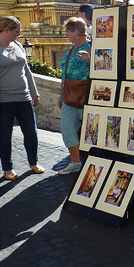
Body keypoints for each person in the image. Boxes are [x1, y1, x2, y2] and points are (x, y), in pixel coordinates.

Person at [0, 16, 45, 180]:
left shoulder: (18, 45)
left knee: (31, 133)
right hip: (3, 101)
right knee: (5, 135)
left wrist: (34, 92)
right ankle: (7, 168)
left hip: (24, 98)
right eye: (16, 32)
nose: (19, 35)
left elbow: (27, 71)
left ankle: (33, 163)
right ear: (7, 30)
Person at [57, 17, 91, 175]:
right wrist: (61, 94)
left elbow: (105, 68)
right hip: (69, 97)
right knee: (67, 130)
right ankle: (76, 162)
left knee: (91, 133)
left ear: (76, 32)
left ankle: (94, 163)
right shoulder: (70, 49)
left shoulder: (91, 47)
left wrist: (90, 60)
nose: (66, 35)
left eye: (68, 31)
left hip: (87, 97)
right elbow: (64, 74)